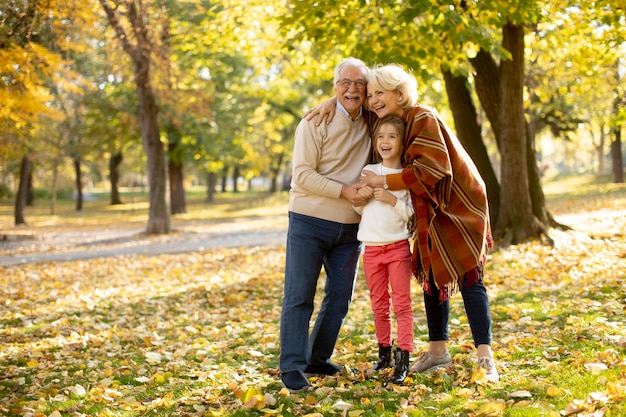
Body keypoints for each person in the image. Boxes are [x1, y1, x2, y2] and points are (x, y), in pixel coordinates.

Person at [305, 63, 499, 383]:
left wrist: (384, 183)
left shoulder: (422, 117)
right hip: (428, 210)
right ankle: (438, 352)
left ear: (399, 94)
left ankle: (485, 358)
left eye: (379, 93)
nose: (372, 100)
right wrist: (331, 100)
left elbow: (432, 171)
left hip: (457, 206)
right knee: (433, 277)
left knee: (468, 277)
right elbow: (350, 103)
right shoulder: (391, 120)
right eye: (371, 95)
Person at [279, 57, 372, 393]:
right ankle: (291, 365)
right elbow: (302, 175)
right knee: (299, 295)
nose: (352, 89)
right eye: (345, 83)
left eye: (360, 83)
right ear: (335, 86)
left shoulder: (373, 122)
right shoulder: (314, 122)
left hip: (350, 228)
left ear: (368, 88)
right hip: (309, 220)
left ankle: (317, 358)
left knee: (340, 297)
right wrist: (343, 191)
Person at [353, 115, 414, 385]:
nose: (385, 141)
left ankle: (404, 359)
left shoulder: (404, 177)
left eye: (392, 136)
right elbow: (358, 209)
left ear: (402, 143)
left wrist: (391, 199)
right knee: (379, 305)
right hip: (371, 249)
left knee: (401, 304)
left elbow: (411, 216)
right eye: (380, 136)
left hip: (398, 247)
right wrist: (361, 197)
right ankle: (384, 354)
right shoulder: (369, 170)